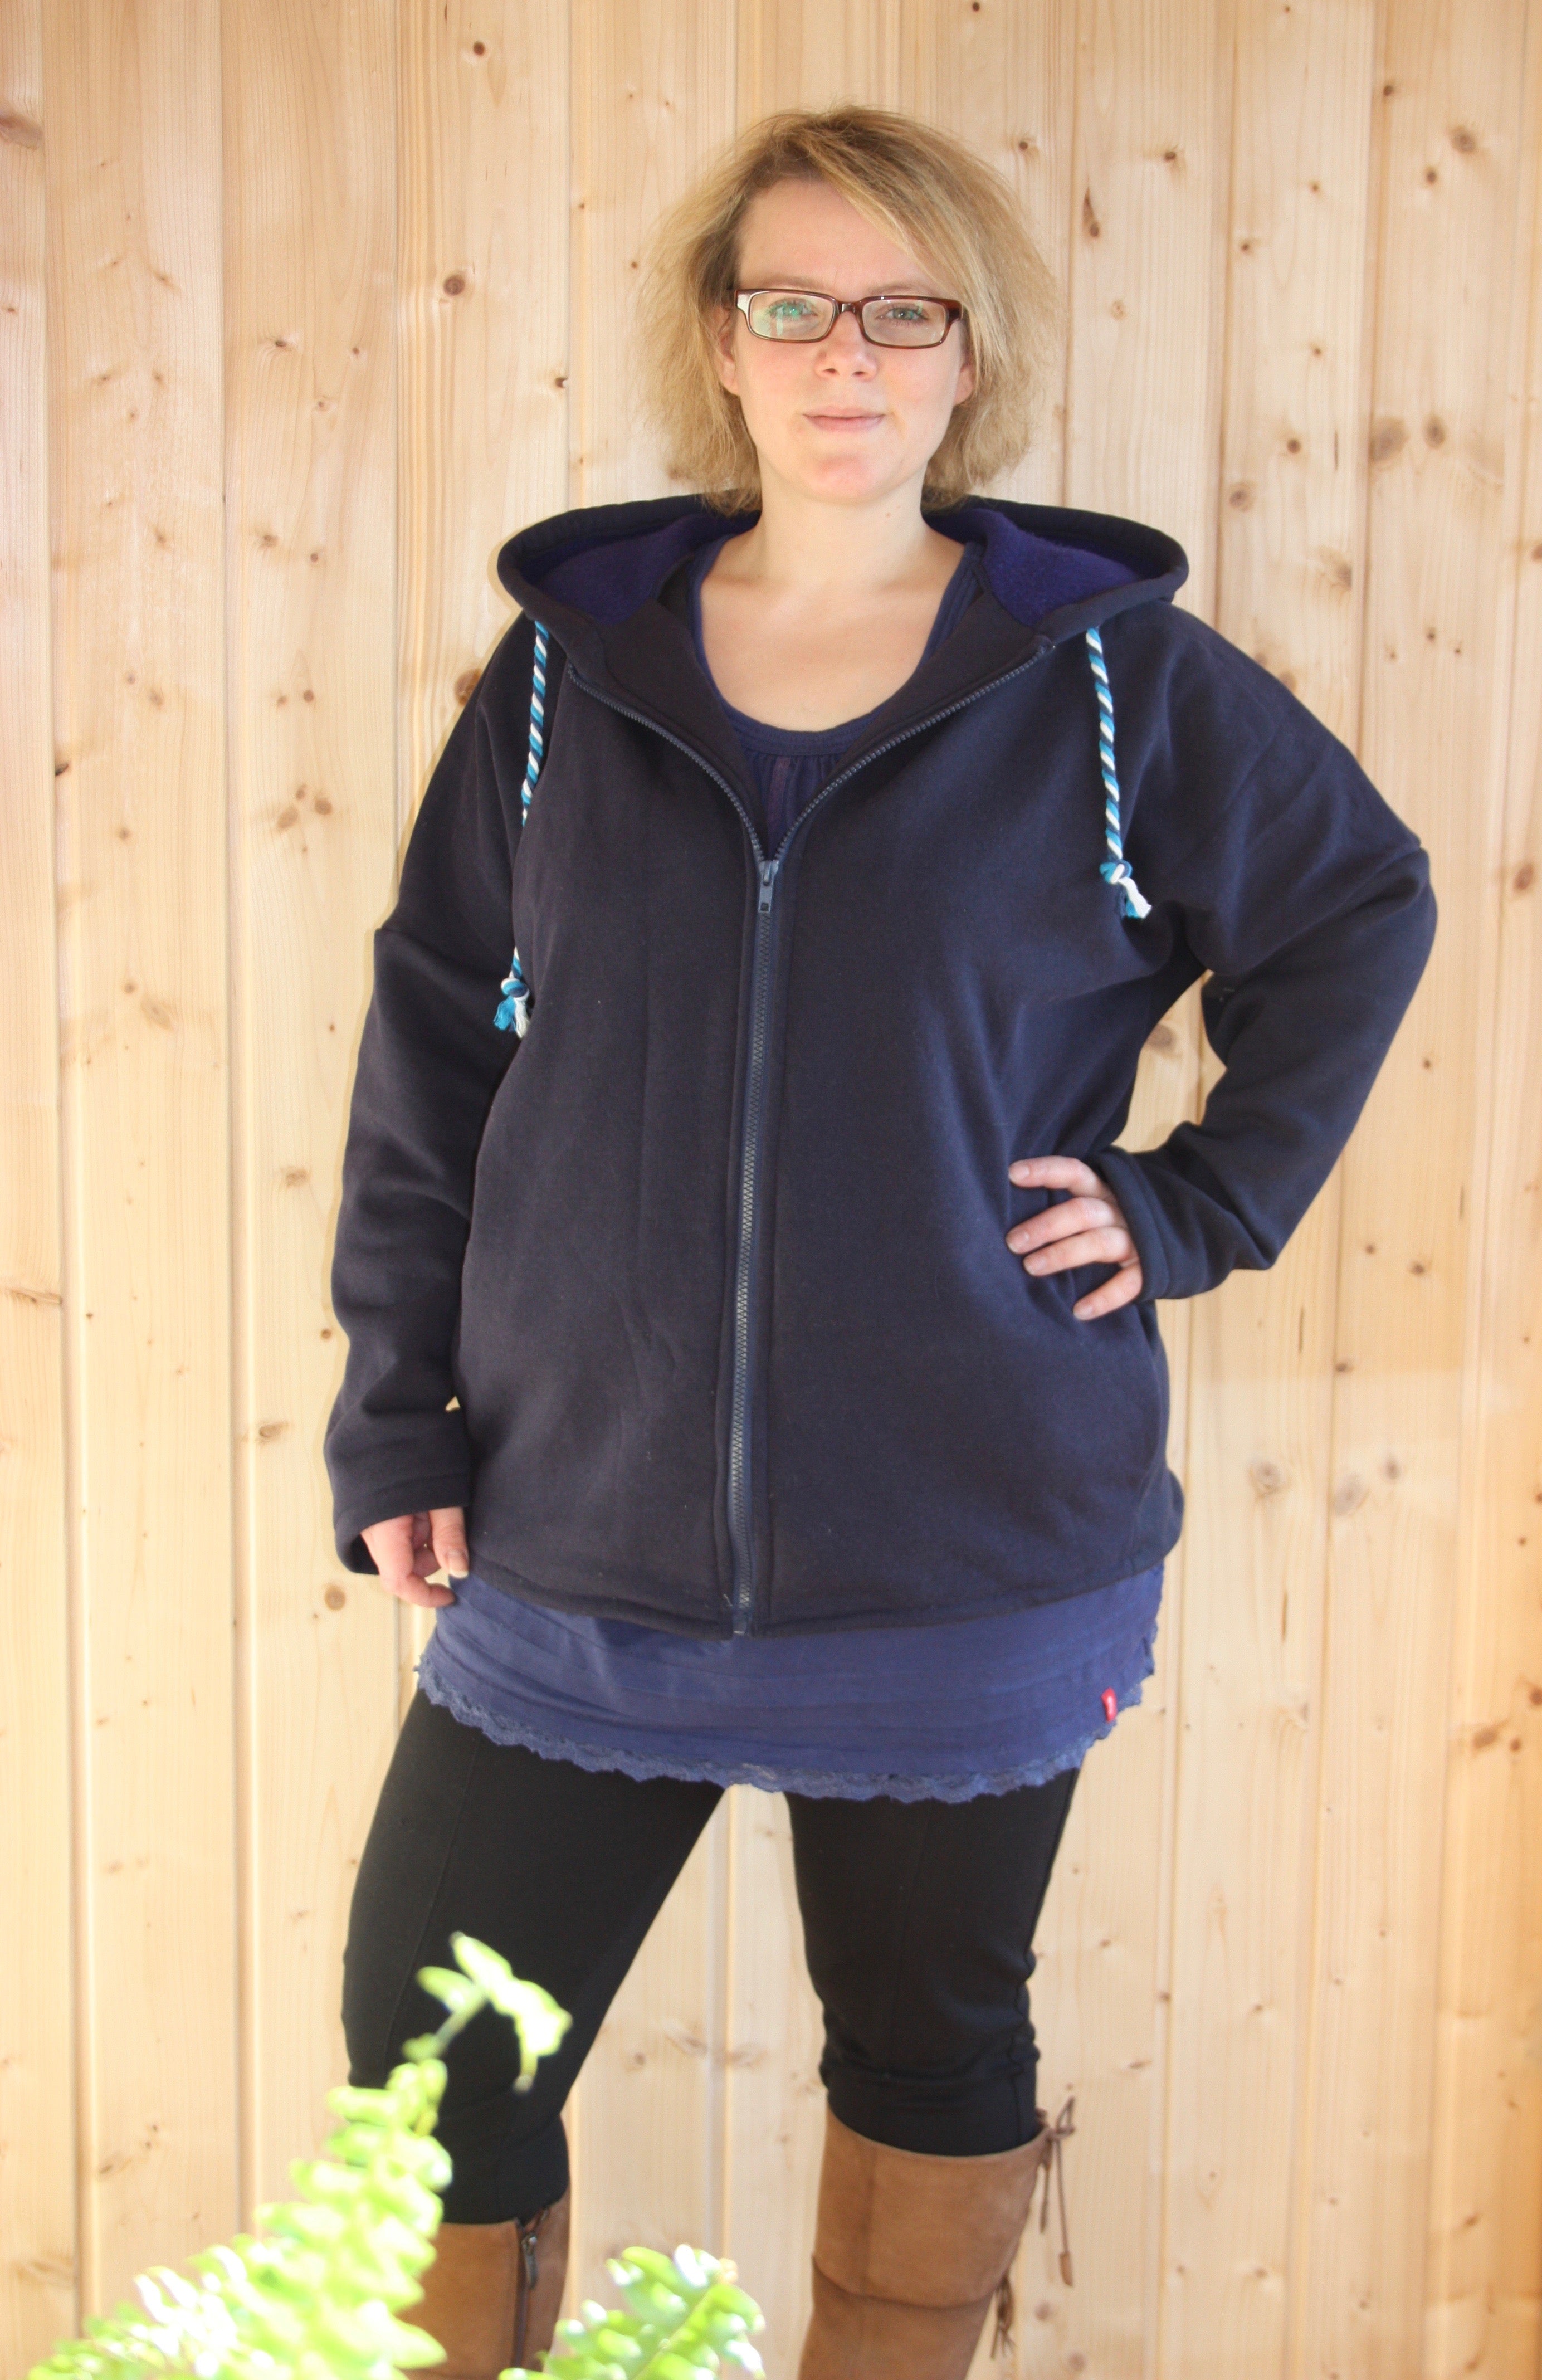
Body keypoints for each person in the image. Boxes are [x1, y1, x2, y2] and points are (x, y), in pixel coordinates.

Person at [324, 105, 1434, 2380]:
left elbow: (1355, 905)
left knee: (928, 2055)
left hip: (966, 1533)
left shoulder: (1110, 681)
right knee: (432, 2067)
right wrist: (394, 1410)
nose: (848, 353)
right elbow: (437, 1040)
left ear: (966, 356)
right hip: (579, 1521)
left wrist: (1197, 1200)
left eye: (902, 311)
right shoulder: (566, 674)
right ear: (721, 344)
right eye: (795, 305)